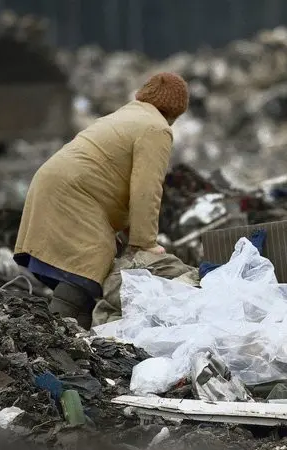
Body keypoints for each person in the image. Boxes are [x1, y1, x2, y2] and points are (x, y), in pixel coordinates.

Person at [13, 72, 189, 329]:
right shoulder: (156, 128)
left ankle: (76, 342)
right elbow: (146, 189)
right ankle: (47, 336)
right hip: (75, 193)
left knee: (89, 279)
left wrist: (131, 234)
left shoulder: (127, 115)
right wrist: (145, 244)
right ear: (176, 111)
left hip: (53, 183)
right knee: (87, 265)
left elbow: (116, 179)